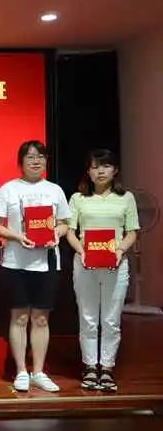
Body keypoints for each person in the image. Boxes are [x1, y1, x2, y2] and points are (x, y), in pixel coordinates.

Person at [0, 140, 71, 393]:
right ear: (21, 162)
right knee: (19, 317)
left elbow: (64, 223)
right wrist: (18, 237)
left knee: (40, 318)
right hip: (15, 262)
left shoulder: (55, 190)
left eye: (40, 156)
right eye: (30, 157)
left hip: (47, 261)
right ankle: (21, 371)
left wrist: (55, 234)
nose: (36, 161)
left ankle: (38, 371)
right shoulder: (8, 190)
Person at [66, 149, 139, 393]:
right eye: (95, 166)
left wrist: (120, 249)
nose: (100, 171)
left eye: (106, 166)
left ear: (115, 170)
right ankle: (89, 366)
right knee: (87, 318)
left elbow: (132, 232)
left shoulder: (126, 198)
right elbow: (70, 231)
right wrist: (82, 251)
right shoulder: (78, 198)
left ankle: (107, 368)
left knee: (110, 320)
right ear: (88, 171)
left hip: (115, 265)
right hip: (85, 264)